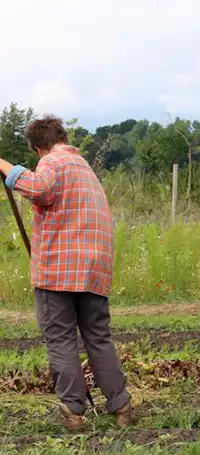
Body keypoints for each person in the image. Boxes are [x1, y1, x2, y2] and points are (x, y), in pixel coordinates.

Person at [0, 115, 136, 431]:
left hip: (59, 270)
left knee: (60, 338)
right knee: (98, 337)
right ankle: (122, 406)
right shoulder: (85, 169)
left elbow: (39, 189)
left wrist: (6, 167)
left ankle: (73, 410)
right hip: (94, 270)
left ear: (37, 147)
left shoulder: (52, 162)